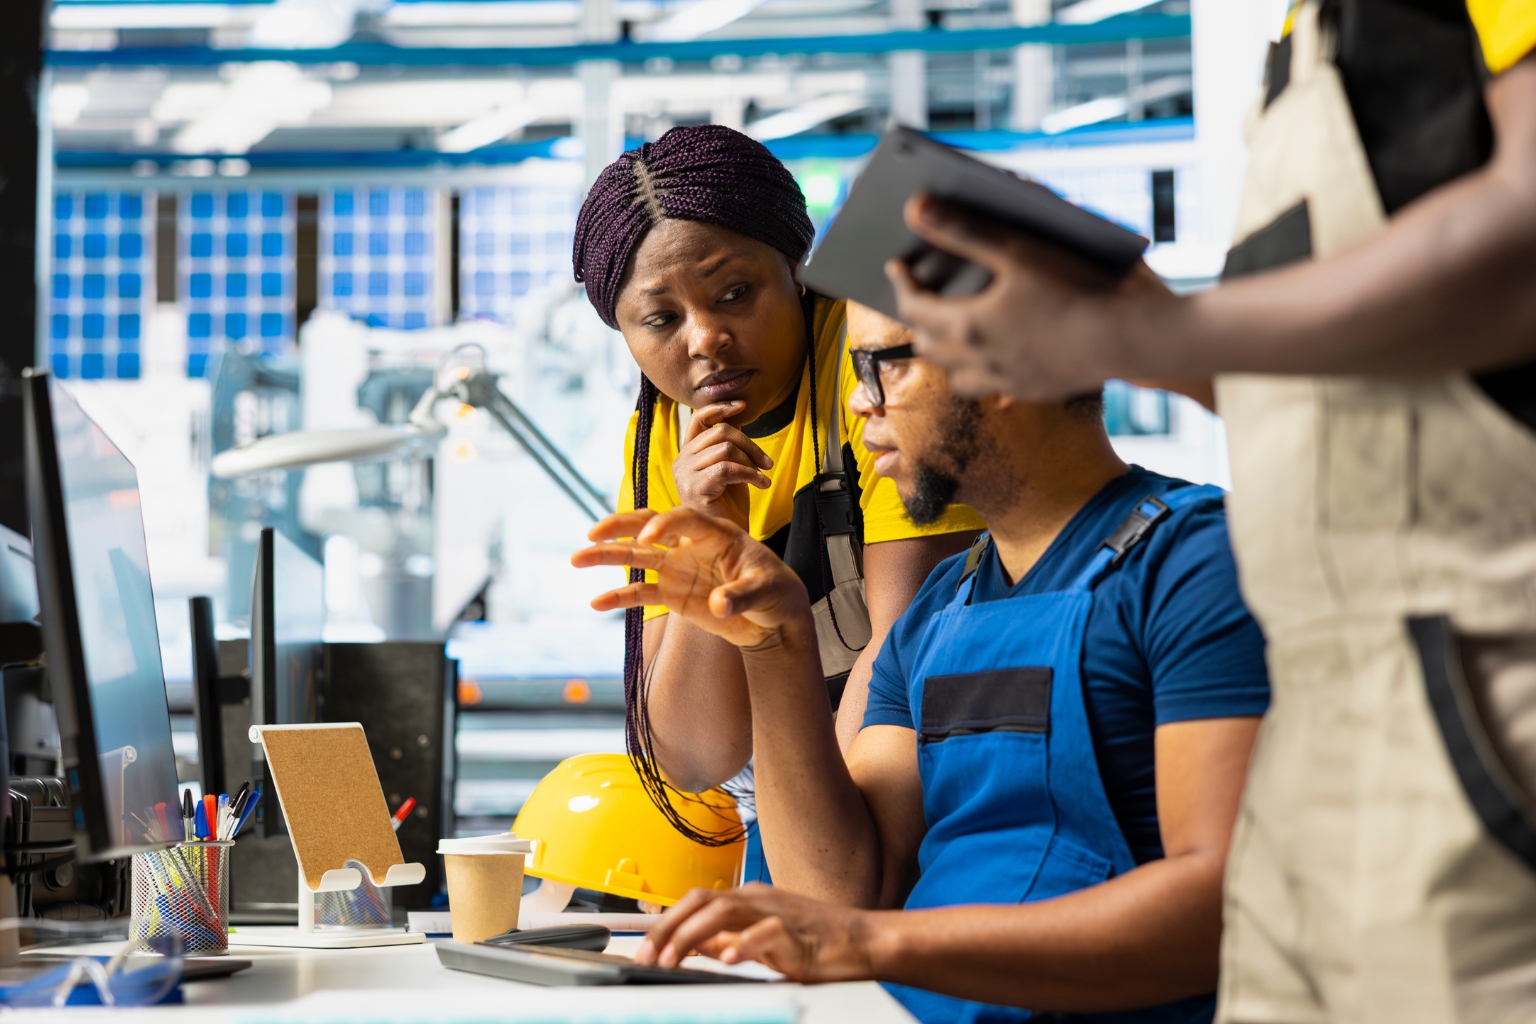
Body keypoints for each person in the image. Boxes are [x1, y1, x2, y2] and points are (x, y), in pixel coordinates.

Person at [881, 2, 1536, 1020]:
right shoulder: (1300, 45)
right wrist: (1138, 326)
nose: (868, 399)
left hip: (1476, 675)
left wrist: (1133, 334)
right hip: (1329, 707)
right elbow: (1332, 403)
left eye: (890, 363)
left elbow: (1521, 245)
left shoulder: (1172, 558)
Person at [573, 305, 1270, 1023]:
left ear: (1002, 363)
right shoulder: (943, 606)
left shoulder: (1197, 564)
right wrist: (774, 643)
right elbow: (839, 894)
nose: (857, 400)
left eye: (886, 364)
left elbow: (1216, 912)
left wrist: (874, 942)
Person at [571, 125, 983, 875]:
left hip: (925, 785)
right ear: (622, 332)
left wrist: (829, 851)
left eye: (735, 294)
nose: (707, 340)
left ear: (796, 266)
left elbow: (905, 662)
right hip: (796, 800)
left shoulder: (876, 373)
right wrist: (704, 529)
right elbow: (695, 752)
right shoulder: (659, 435)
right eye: (661, 319)